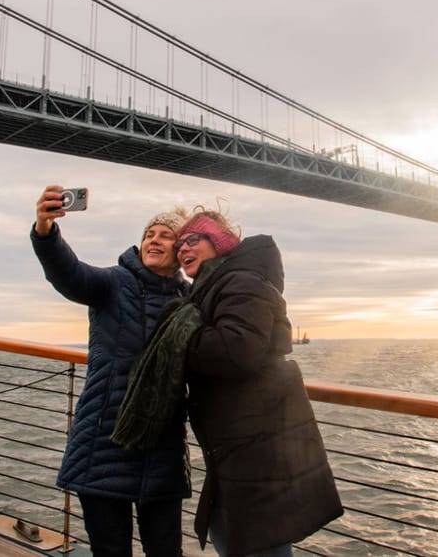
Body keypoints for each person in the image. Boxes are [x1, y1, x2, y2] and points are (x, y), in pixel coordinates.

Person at [173, 207, 343, 556]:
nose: (183, 249)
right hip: (241, 440)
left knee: (257, 538)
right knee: (241, 534)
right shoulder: (217, 284)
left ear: (218, 241)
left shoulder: (242, 280)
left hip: (255, 442)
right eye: (179, 244)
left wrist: (181, 331)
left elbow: (238, 351)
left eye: (193, 240)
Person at [31, 184, 189, 557]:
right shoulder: (112, 283)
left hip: (161, 451)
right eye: (149, 234)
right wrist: (45, 230)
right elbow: (68, 274)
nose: (154, 240)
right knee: (110, 551)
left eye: (166, 236)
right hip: (104, 446)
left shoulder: (189, 301)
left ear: (181, 251)